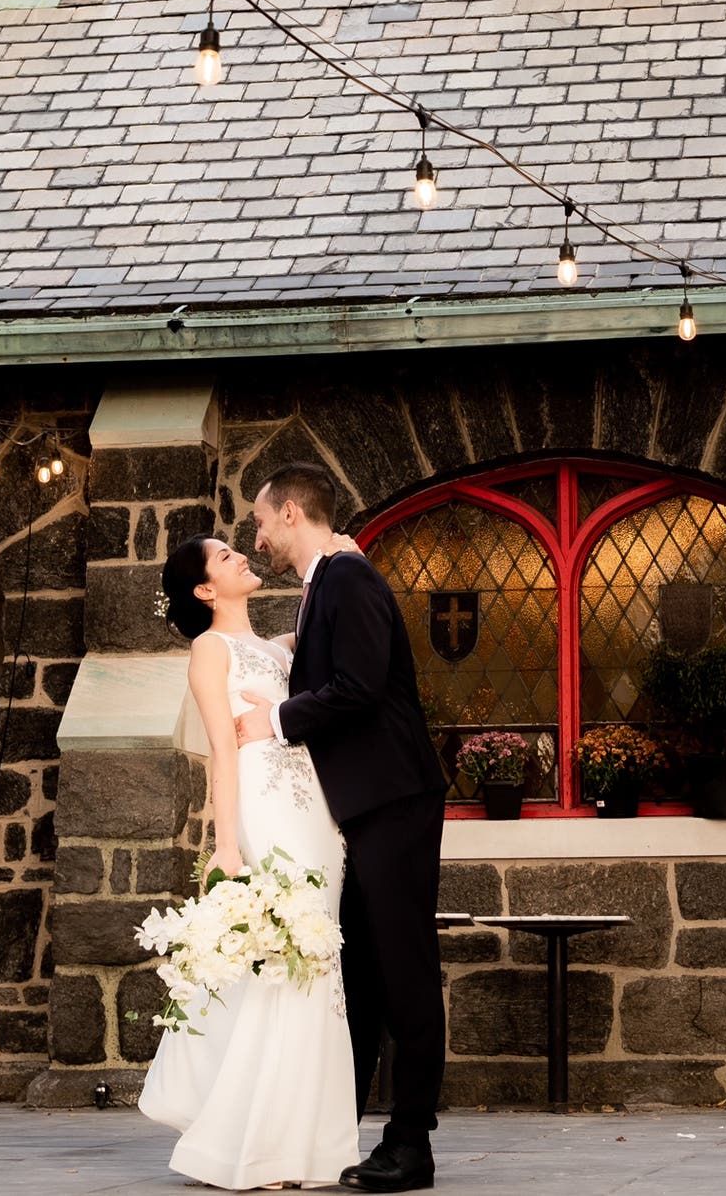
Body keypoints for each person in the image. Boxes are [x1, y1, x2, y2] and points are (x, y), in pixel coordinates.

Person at [234, 462, 449, 1194]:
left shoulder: (349, 580)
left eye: (261, 520)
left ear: (292, 513)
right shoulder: (329, 580)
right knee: (360, 971)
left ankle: (412, 1142)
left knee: (404, 967)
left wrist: (277, 718)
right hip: (360, 807)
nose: (257, 536)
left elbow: (358, 688)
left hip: (395, 797)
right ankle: (338, 1132)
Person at [137, 534, 357, 1189]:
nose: (239, 556)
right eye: (224, 556)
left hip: (315, 812)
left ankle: (305, 1142)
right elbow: (222, 754)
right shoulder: (209, 650)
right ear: (204, 590)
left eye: (238, 548)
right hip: (265, 808)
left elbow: (321, 631)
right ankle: (257, 1144)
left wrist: (342, 555)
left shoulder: (279, 649)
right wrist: (226, 845)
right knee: (284, 959)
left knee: (318, 962)